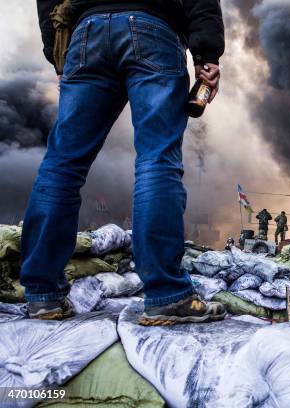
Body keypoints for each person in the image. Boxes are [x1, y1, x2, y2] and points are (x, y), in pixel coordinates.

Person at [23, 0, 226, 325]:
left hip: (86, 33)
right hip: (153, 28)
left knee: (62, 164)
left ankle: (42, 295)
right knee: (157, 159)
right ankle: (166, 296)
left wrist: (57, 49)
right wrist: (207, 54)